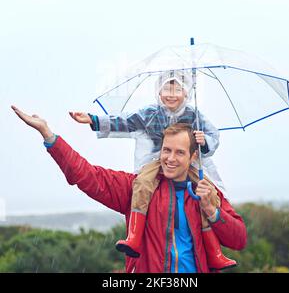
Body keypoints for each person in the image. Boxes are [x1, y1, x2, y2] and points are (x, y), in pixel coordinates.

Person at [11, 106, 247, 273]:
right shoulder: (137, 187)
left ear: (193, 156)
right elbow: (86, 175)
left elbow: (239, 239)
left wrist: (213, 212)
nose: (170, 158)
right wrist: (49, 136)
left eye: (179, 152)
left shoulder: (207, 191)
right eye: (166, 150)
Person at [69, 70, 235, 269]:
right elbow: (125, 121)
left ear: (186, 93)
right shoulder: (149, 113)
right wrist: (94, 120)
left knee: (207, 193)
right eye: (166, 88)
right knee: (142, 184)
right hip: (157, 162)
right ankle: (134, 236)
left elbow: (213, 137)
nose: (171, 94)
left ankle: (216, 253)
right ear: (158, 91)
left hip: (188, 164)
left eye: (177, 89)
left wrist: (203, 141)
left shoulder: (195, 115)